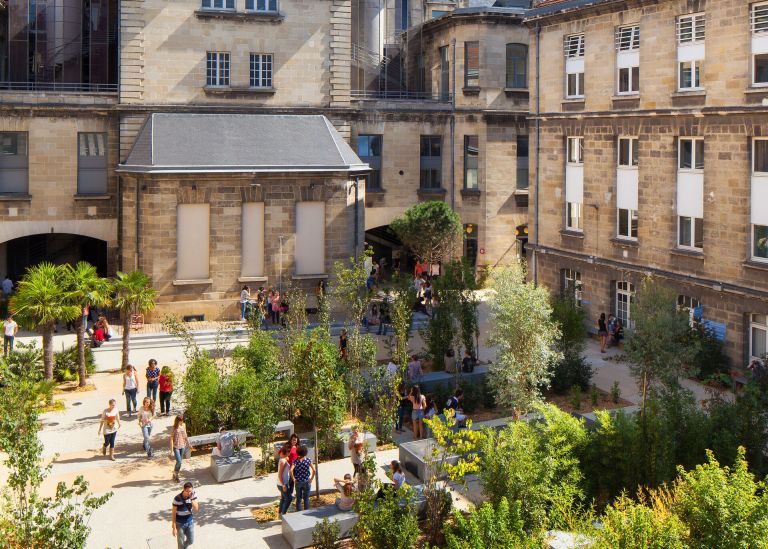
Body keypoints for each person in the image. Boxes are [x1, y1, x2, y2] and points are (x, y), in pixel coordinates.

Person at [172, 482, 199, 549]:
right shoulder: (177, 499)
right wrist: (174, 527)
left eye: (190, 491)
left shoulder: (193, 495)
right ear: (183, 489)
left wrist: (191, 498)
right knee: (180, 544)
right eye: (187, 491)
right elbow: (173, 513)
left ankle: (184, 547)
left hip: (190, 522)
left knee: (191, 541)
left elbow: (196, 508)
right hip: (180, 524)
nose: (189, 493)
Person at [290, 445, 315, 512]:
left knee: (298, 498)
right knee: (306, 498)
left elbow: (291, 470)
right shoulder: (308, 460)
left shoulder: (296, 461)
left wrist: (294, 479)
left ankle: (299, 512)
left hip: (298, 482)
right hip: (307, 481)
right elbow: (314, 470)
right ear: (305, 453)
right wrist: (311, 479)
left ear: (298, 453)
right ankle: (306, 512)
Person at [171, 415, 190, 482]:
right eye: (181, 421)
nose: (182, 422)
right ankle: (175, 475)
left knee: (179, 462)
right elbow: (171, 438)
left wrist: (189, 443)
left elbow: (185, 435)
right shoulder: (174, 427)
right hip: (176, 446)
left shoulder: (184, 425)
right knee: (179, 461)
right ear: (178, 421)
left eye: (182, 420)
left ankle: (175, 475)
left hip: (182, 446)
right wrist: (171, 450)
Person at [277, 446, 294, 516]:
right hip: (282, 484)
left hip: (281, 483)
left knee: (283, 498)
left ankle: (280, 513)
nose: (290, 453)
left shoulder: (283, 459)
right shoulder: (283, 461)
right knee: (289, 498)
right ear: (286, 452)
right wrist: (283, 485)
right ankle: (283, 514)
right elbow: (279, 475)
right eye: (288, 452)